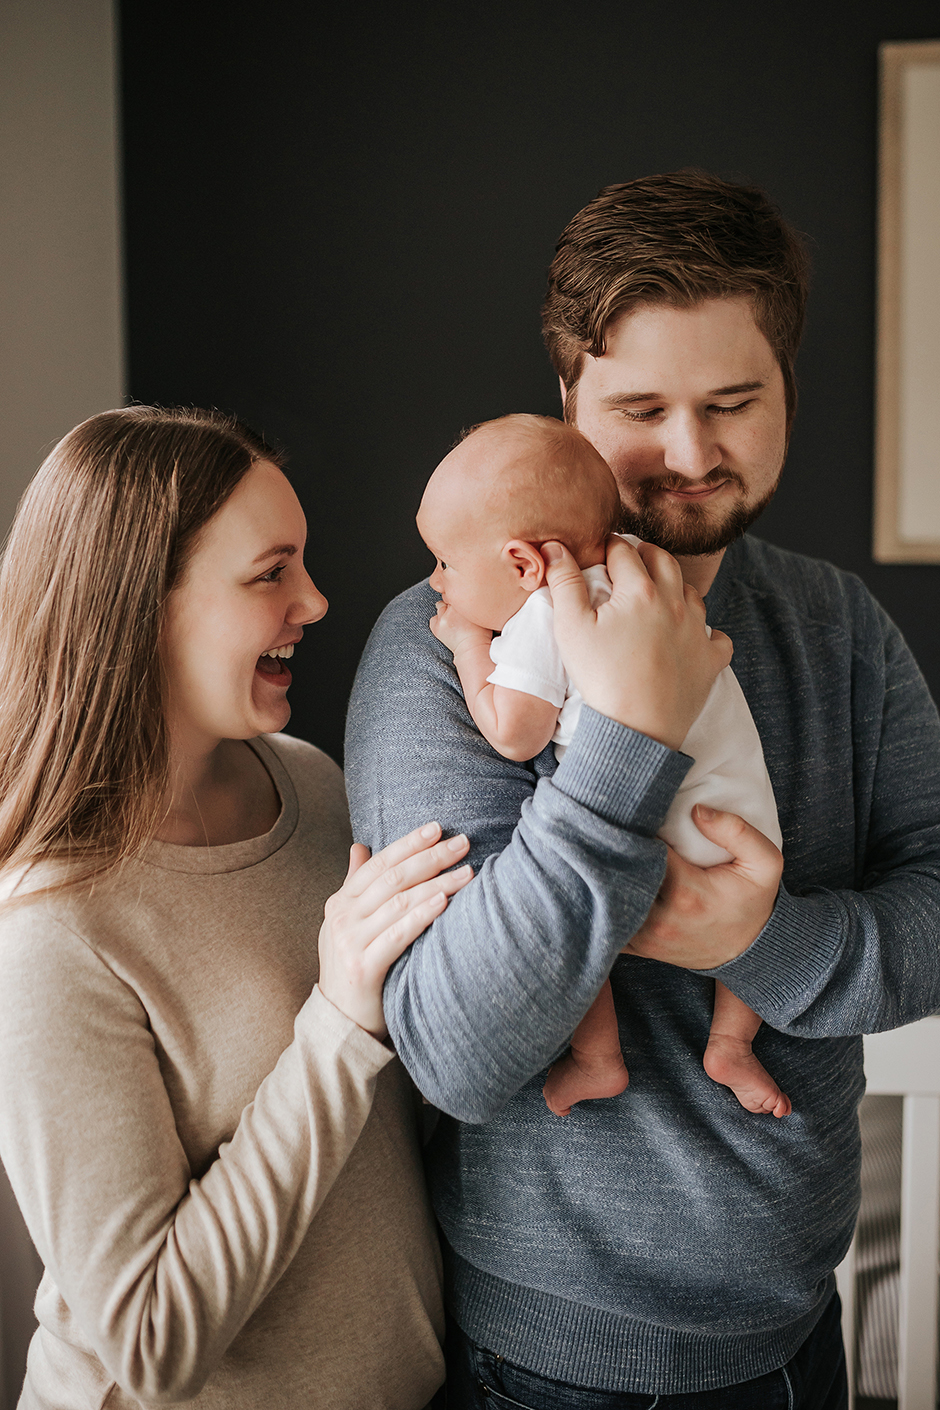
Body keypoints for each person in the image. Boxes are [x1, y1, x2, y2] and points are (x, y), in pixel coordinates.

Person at [345, 170, 940, 1408]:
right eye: (639, 407)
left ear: (789, 387)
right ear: (566, 396)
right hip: (550, 1366)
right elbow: (455, 1050)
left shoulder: (836, 627)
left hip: (799, 1332)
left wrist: (765, 943)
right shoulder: (446, 642)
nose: (687, 454)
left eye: (733, 401)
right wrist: (627, 733)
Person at [0, 405, 481, 1409]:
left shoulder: (312, 786)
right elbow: (151, 1339)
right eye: (272, 573)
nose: (314, 599)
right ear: (144, 604)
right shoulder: (52, 931)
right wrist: (338, 1022)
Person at [416, 411, 787, 1120]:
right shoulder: (652, 578)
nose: (436, 582)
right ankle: (732, 1043)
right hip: (740, 816)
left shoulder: (541, 617)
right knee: (753, 913)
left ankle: (598, 1057)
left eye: (446, 564)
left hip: (651, 820)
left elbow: (515, 734)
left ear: (524, 564)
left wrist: (468, 646)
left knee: (576, 925)